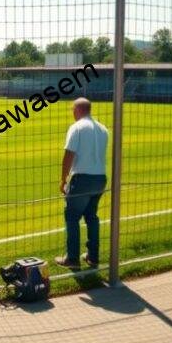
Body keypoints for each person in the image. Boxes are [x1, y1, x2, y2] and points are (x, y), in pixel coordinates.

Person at [55, 97, 109, 270]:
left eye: (73, 110)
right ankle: (93, 257)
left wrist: (63, 179)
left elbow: (69, 155)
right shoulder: (103, 129)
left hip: (82, 179)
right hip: (100, 178)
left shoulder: (76, 127)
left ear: (77, 110)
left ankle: (72, 258)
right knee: (91, 216)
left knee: (71, 216)